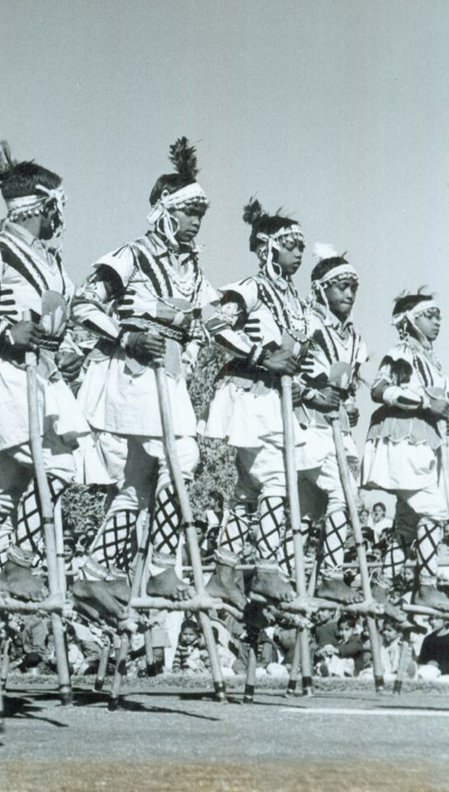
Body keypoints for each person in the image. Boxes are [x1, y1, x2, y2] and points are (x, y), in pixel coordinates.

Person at [70, 138, 215, 618]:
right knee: (183, 456)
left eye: (201, 214)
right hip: (133, 374)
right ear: (166, 211)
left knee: (138, 484)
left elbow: (213, 318)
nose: (196, 223)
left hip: (167, 376)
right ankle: (159, 565)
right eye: (189, 212)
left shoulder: (192, 270)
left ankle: (94, 571)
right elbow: (85, 304)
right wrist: (126, 337)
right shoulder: (132, 255)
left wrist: (192, 328)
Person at [0, 124, 81, 600]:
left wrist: (69, 349)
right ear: (45, 205)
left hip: (46, 373)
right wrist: (6, 333)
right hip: (10, 371)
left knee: (15, 480)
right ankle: (12, 561)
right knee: (48, 466)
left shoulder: (52, 260)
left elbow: (63, 319)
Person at [202, 199, 312, 608]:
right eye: (290, 243)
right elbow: (213, 320)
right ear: (268, 247)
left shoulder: (296, 301)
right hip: (250, 391)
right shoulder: (253, 286)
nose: (299, 251)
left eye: (301, 244)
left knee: (249, 488)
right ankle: (266, 567)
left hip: (275, 397)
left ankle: (224, 572)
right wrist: (259, 355)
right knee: (276, 478)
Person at [361, 291, 449, 611]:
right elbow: (379, 389)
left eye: (439, 315)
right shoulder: (401, 352)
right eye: (430, 315)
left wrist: (443, 419)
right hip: (402, 439)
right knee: (433, 510)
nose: (437, 321)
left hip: (424, 442)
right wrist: (427, 404)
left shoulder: (432, 362)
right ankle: (426, 585)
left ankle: (382, 588)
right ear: (411, 320)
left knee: (408, 521)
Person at [293, 245, 368, 604]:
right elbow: (280, 373)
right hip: (305, 428)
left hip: (336, 432)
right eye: (342, 287)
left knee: (309, 510)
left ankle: (294, 573)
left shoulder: (354, 340)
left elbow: (349, 389)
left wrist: (350, 407)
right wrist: (310, 396)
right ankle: (330, 575)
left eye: (353, 288)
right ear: (322, 288)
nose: (349, 295)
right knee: (344, 493)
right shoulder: (305, 325)